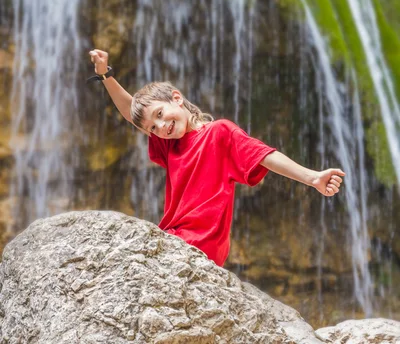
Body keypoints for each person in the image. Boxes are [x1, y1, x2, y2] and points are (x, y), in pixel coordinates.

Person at [89, 48, 345, 267]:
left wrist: (312, 177)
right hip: (174, 238)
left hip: (200, 243)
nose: (160, 126)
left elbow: (264, 155)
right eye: (152, 128)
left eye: (160, 114)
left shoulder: (219, 133)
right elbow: (130, 111)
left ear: (176, 98)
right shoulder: (170, 145)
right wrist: (105, 75)